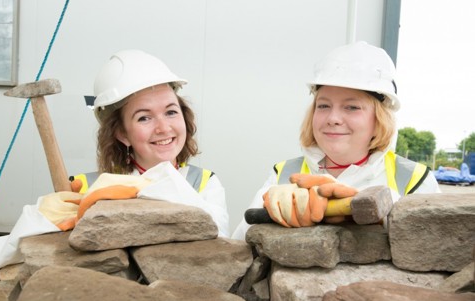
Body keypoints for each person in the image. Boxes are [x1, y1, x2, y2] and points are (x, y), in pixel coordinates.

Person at [232, 41, 440, 239]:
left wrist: (380, 208)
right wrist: (270, 217)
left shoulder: (414, 180)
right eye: (323, 106)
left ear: (379, 120)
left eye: (352, 107)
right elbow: (241, 246)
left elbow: (438, 249)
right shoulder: (282, 174)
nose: (333, 119)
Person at [70, 49, 229, 237]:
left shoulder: (204, 184)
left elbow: (217, 243)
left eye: (171, 112)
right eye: (144, 118)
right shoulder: (83, 188)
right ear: (122, 133)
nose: (163, 128)